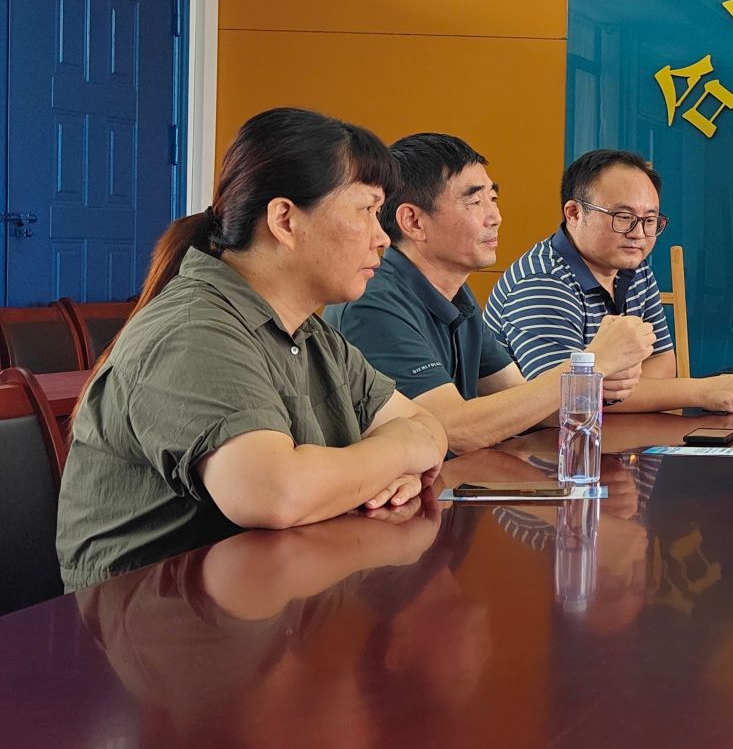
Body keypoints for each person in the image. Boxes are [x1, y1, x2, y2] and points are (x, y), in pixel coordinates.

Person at [56, 108, 449, 589]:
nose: (382, 237)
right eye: (366, 210)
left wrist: (397, 462)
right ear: (284, 220)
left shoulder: (310, 334)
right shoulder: (196, 330)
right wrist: (401, 451)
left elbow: (428, 426)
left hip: (262, 600)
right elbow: (273, 493)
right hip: (151, 617)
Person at [329, 133, 654, 454]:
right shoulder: (372, 301)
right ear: (413, 222)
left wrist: (598, 383)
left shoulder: (457, 293)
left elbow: (528, 405)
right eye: (474, 202)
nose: (495, 218)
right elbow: (453, 429)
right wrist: (590, 365)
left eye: (493, 199)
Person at [485, 149, 733, 414]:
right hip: (540, 440)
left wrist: (604, 385)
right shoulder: (542, 282)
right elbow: (562, 400)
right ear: (574, 213)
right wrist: (699, 391)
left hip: (611, 433)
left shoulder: (634, 266)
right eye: (624, 218)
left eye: (650, 220)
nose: (639, 234)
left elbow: (662, 362)